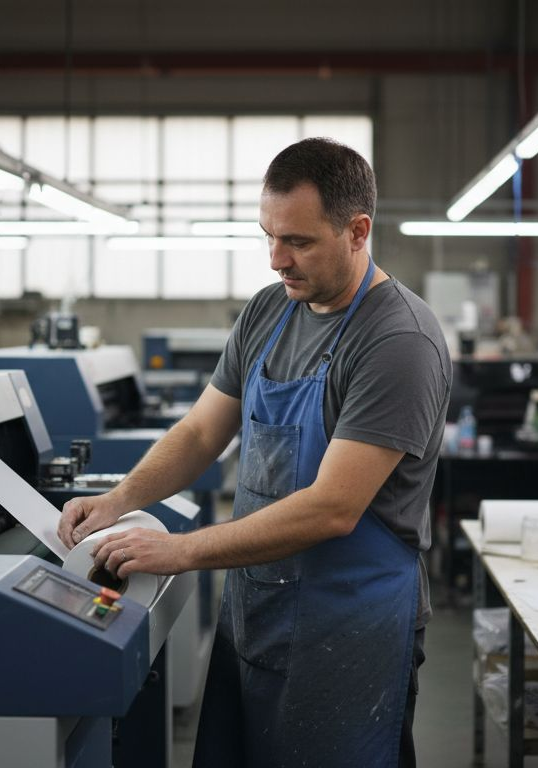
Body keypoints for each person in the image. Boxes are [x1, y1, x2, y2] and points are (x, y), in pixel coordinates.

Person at [57, 137, 451, 768]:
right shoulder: (272, 310)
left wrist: (182, 550)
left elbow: (331, 509)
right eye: (268, 236)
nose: (276, 260)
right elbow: (201, 433)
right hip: (260, 611)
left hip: (349, 628)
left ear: (358, 231)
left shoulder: (397, 340)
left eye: (297, 241)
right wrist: (119, 498)